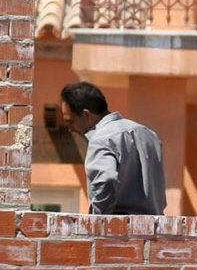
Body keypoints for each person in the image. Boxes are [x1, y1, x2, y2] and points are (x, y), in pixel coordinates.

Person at [59, 81, 166, 215]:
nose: (70, 129)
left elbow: (106, 180)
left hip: (120, 231)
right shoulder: (149, 135)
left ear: (86, 115)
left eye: (71, 121)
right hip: (154, 230)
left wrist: (97, 222)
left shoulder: (101, 139)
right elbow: (160, 193)